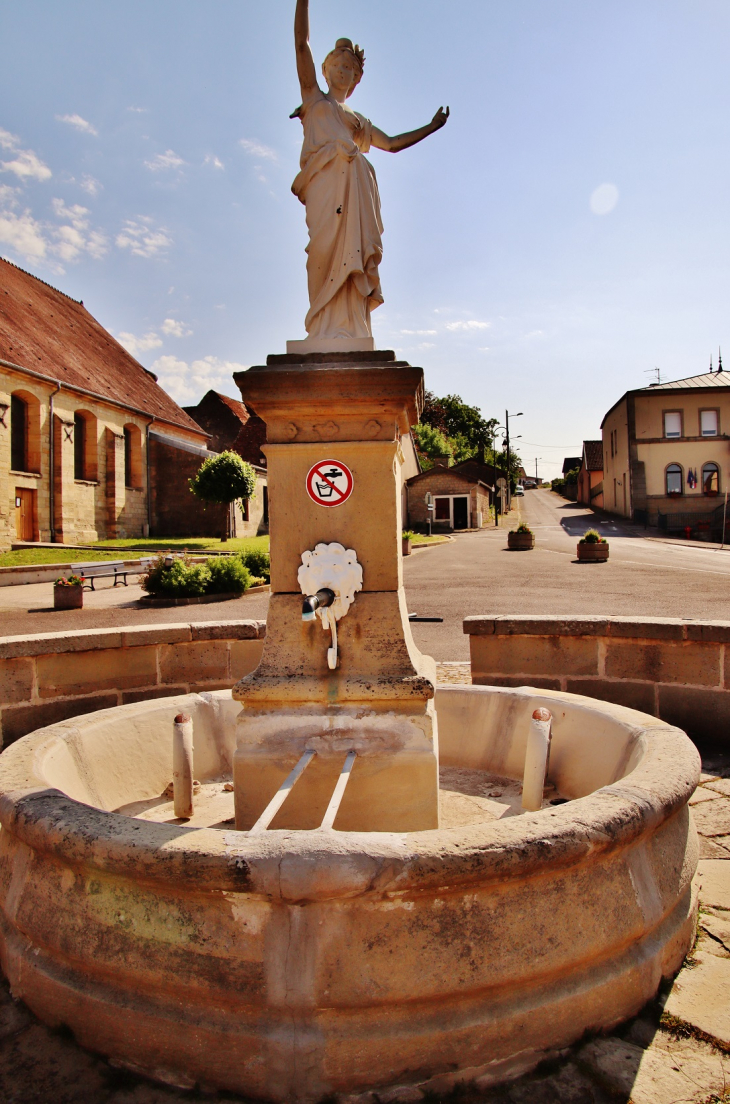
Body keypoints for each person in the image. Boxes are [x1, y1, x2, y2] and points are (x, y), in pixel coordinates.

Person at [293, 0, 449, 344]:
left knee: (352, 257)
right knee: (320, 252)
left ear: (356, 79)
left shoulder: (357, 122)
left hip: (355, 190)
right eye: (338, 65)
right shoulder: (313, 99)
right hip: (324, 186)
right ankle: (321, 327)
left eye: (350, 69)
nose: (343, 72)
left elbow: (391, 143)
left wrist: (431, 127)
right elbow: (301, 41)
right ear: (325, 69)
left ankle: (350, 328)